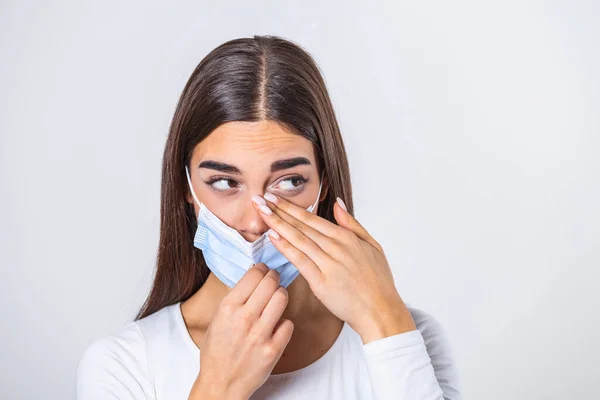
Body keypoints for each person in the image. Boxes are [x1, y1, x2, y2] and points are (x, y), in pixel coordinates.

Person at [75, 35, 461, 400]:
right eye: (225, 182)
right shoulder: (124, 365)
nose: (256, 222)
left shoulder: (407, 335)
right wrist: (216, 388)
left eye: (290, 181)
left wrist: (386, 323)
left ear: (324, 183)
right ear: (186, 189)